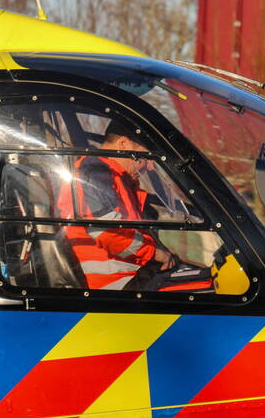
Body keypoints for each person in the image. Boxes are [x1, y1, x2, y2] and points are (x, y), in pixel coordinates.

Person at [57, 120, 176, 290]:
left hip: (132, 273)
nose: (149, 166)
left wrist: (159, 250)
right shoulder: (93, 171)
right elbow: (107, 230)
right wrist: (154, 253)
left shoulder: (119, 179)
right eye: (145, 157)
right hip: (114, 283)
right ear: (124, 144)